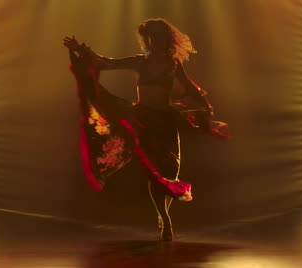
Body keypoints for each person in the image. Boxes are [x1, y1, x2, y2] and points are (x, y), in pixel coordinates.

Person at [64, 18, 228, 241]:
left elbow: (188, 86)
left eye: (156, 37)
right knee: (155, 171)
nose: (152, 41)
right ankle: (165, 219)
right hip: (144, 119)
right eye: (149, 37)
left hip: (167, 119)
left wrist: (205, 104)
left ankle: (164, 214)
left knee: (172, 172)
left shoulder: (173, 64)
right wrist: (80, 49)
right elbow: (105, 63)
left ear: (164, 39)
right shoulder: (140, 62)